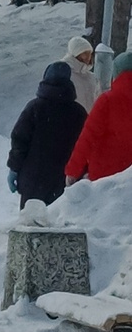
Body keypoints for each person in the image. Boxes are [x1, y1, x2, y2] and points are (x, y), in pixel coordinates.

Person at [7, 61, 87, 207]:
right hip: (64, 181)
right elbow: (86, 146)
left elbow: (19, 140)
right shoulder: (79, 113)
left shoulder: (34, 108)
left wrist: (14, 168)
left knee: (30, 223)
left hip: (33, 181)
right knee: (60, 224)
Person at [65, 50, 132, 184]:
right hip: (128, 180)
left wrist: (72, 171)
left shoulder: (107, 101)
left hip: (103, 179)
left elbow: (88, 137)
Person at [62, 36, 102, 114]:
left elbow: (98, 100)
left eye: (89, 53)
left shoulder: (92, 77)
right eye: (84, 53)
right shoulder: (65, 74)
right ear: (76, 53)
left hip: (89, 122)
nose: (88, 57)